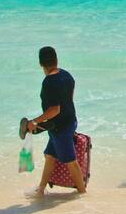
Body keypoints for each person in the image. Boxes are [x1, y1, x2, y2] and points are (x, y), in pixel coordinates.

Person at [27, 46, 86, 195]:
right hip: (68, 121)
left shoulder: (49, 82)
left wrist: (35, 122)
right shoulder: (67, 75)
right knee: (50, 156)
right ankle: (40, 189)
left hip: (61, 128)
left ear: (40, 63)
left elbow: (55, 109)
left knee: (71, 162)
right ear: (56, 59)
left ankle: (83, 193)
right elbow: (69, 99)